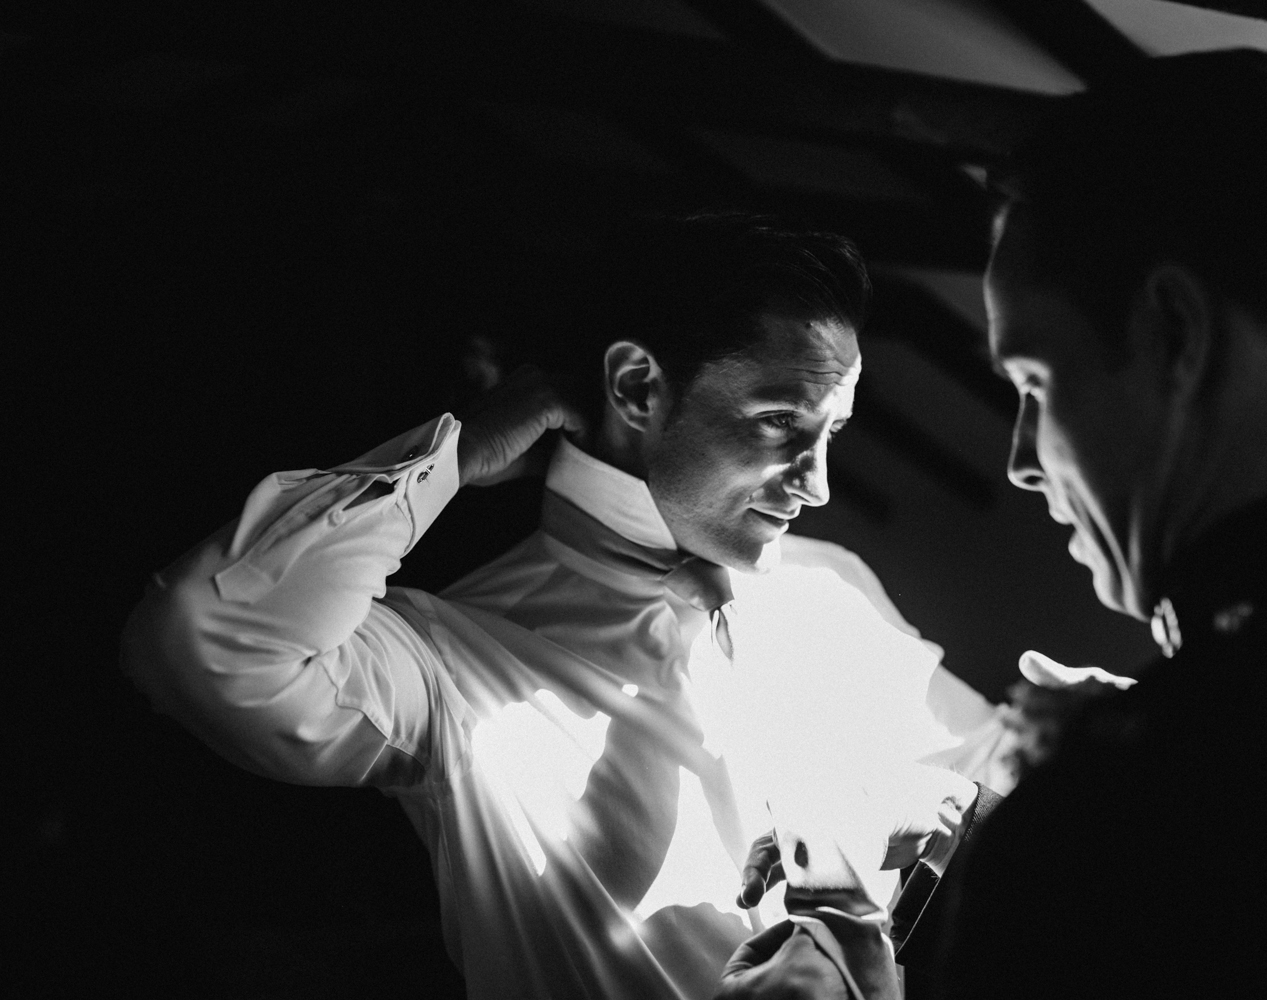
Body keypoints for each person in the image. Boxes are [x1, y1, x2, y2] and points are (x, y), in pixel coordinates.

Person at [723, 50, 1267, 998]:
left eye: (1037, 384)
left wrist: (845, 956)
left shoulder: (1132, 817)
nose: (1019, 457)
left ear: (1175, 335)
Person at [120, 214, 1009, 1000]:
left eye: (832, 434)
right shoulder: (450, 668)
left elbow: (992, 785)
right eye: (780, 421)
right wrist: (457, 455)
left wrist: (994, 770)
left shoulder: (833, 588)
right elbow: (200, 639)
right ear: (635, 388)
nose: (816, 484)